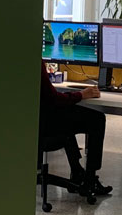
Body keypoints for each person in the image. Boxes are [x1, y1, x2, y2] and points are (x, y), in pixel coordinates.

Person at [39, 63, 111, 197]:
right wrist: (81, 95)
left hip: (33, 124)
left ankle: (77, 171)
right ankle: (90, 180)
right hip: (45, 129)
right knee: (97, 119)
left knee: (65, 116)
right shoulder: (35, 62)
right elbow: (53, 99)